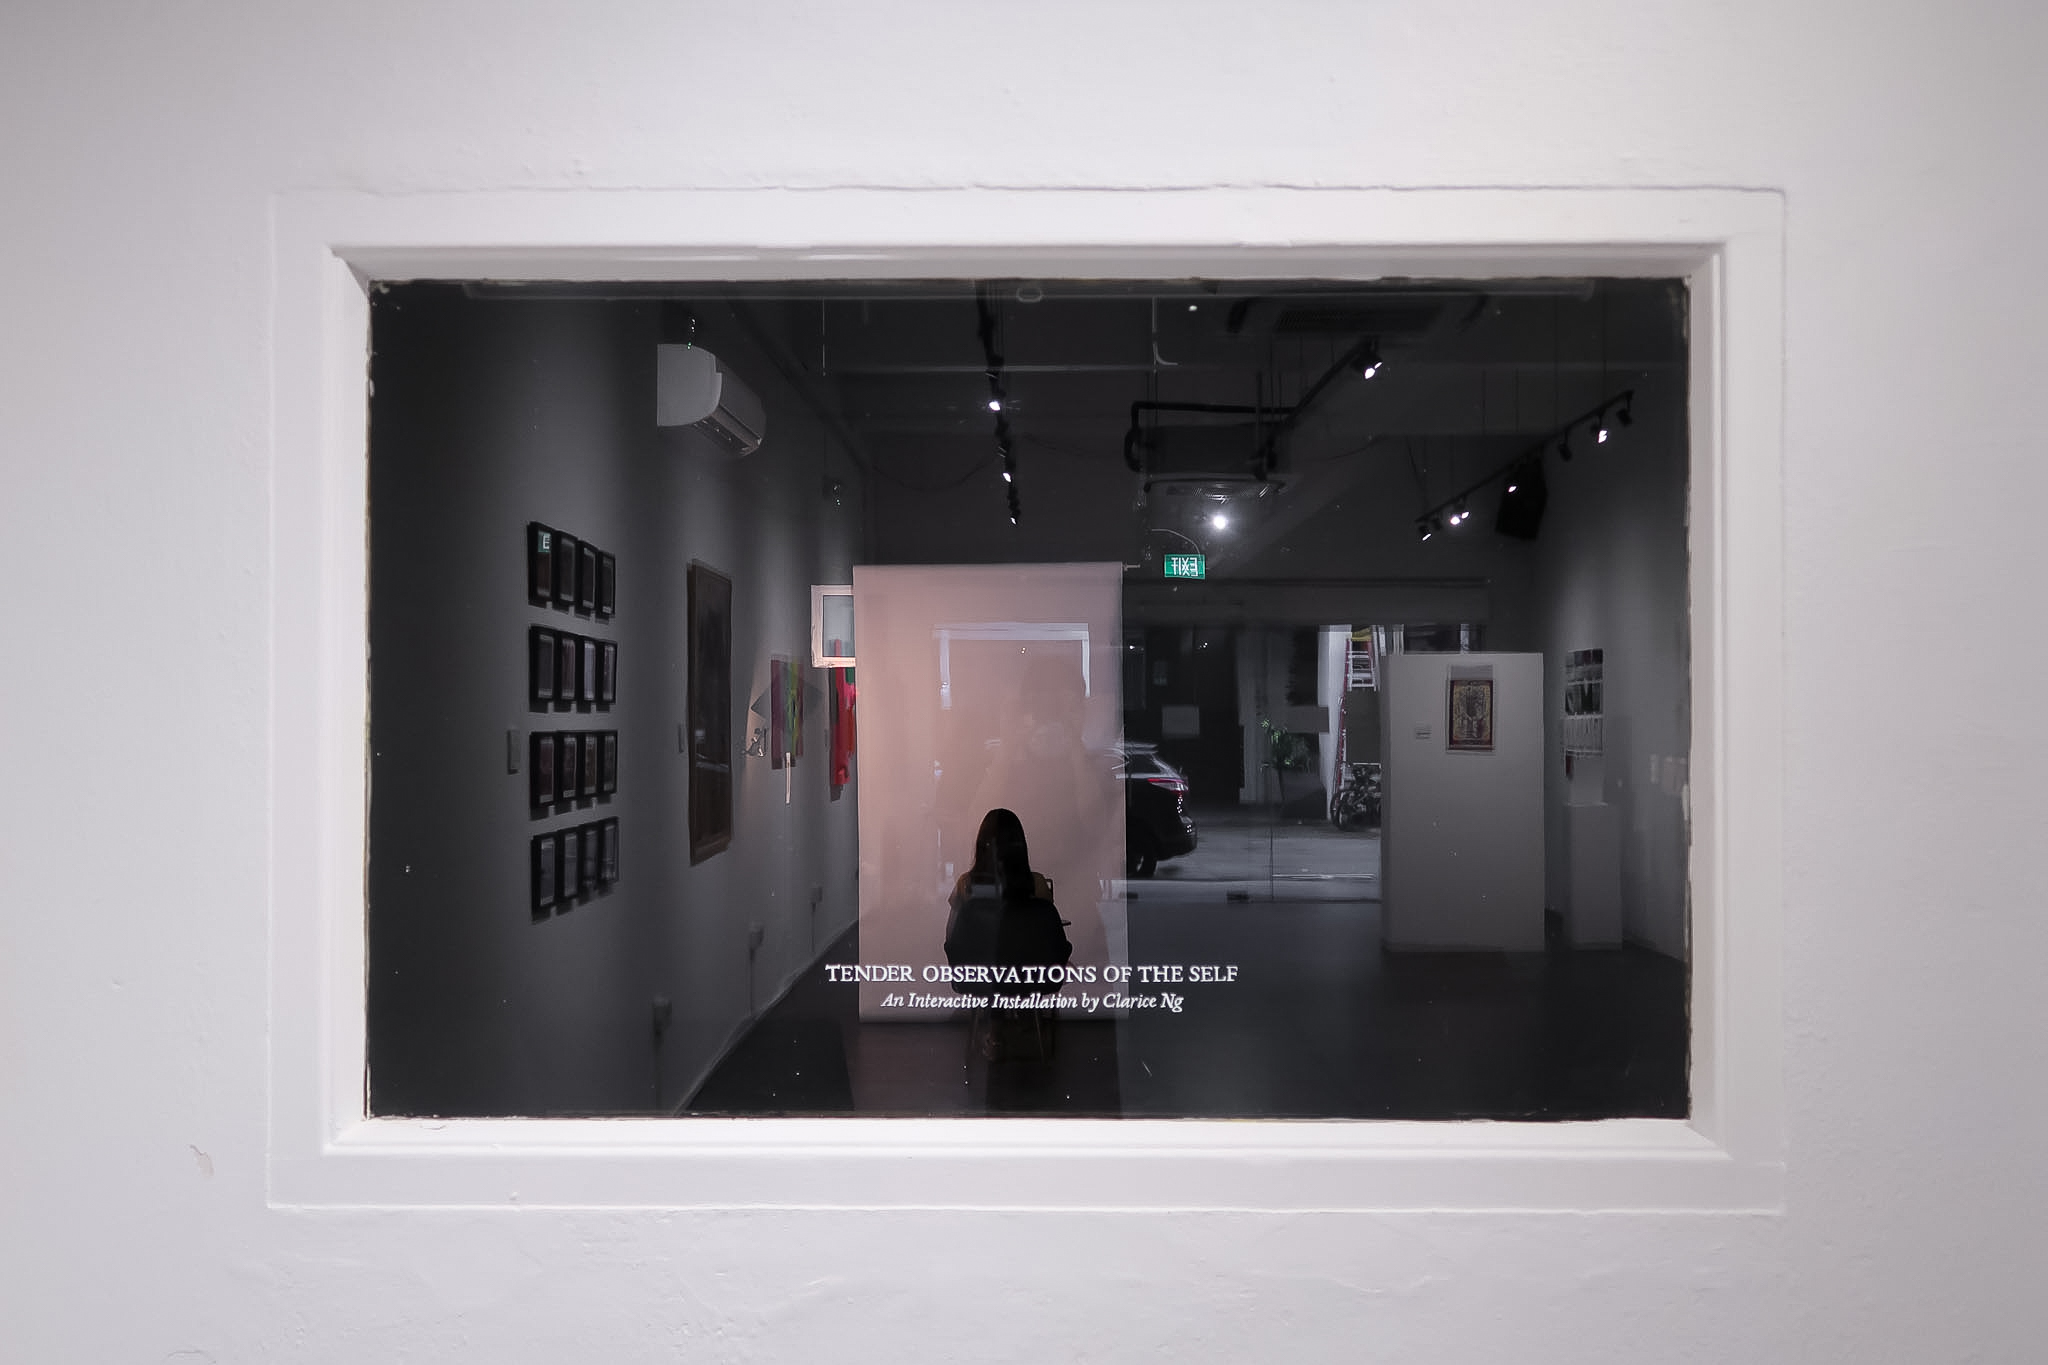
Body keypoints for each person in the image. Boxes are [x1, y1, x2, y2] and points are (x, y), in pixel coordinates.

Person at [943, 810, 1072, 1061]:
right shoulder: (1037, 884)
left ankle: (994, 1034)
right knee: (1017, 955)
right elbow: (1045, 932)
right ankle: (1024, 1019)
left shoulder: (966, 884)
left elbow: (954, 935)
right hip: (1028, 974)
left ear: (981, 845)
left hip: (982, 974)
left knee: (996, 959)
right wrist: (1061, 956)